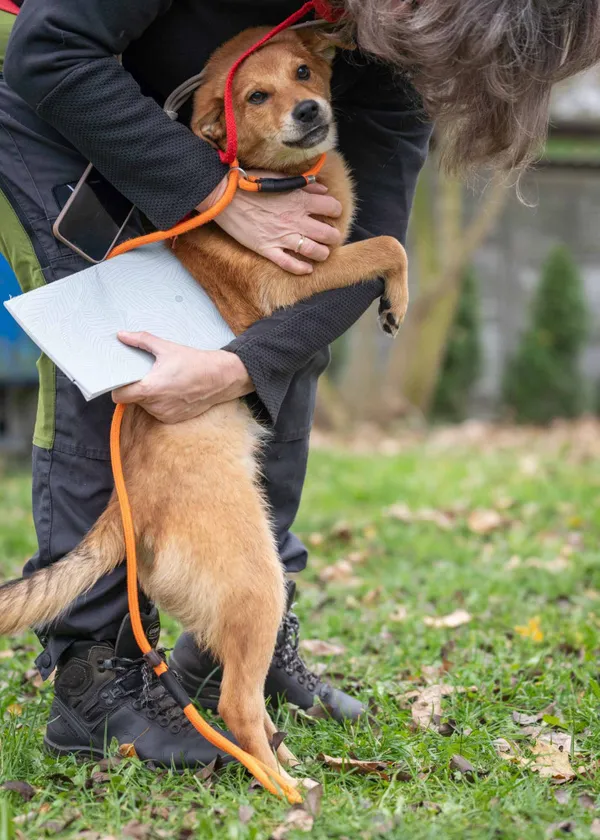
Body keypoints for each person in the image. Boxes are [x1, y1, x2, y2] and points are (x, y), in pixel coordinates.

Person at [0, 0, 598, 768]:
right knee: (112, 333)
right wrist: (218, 199)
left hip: (175, 102)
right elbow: (53, 51)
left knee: (289, 300)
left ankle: (240, 634)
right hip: (43, 70)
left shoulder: (407, 40)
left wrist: (242, 364)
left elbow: (364, 236)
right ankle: (95, 677)